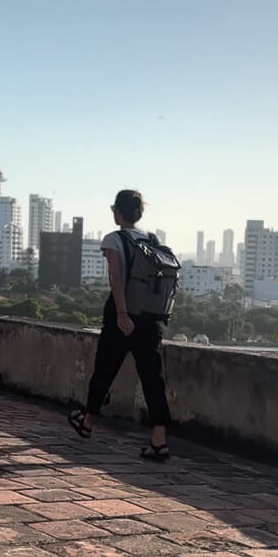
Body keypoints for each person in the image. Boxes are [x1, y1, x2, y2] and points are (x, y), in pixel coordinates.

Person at [68, 189, 172, 461]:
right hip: (150, 318)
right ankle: (159, 441)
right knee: (153, 379)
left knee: (104, 369)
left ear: (118, 212)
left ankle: (87, 422)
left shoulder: (114, 239)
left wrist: (122, 314)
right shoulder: (151, 239)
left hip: (122, 314)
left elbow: (116, 278)